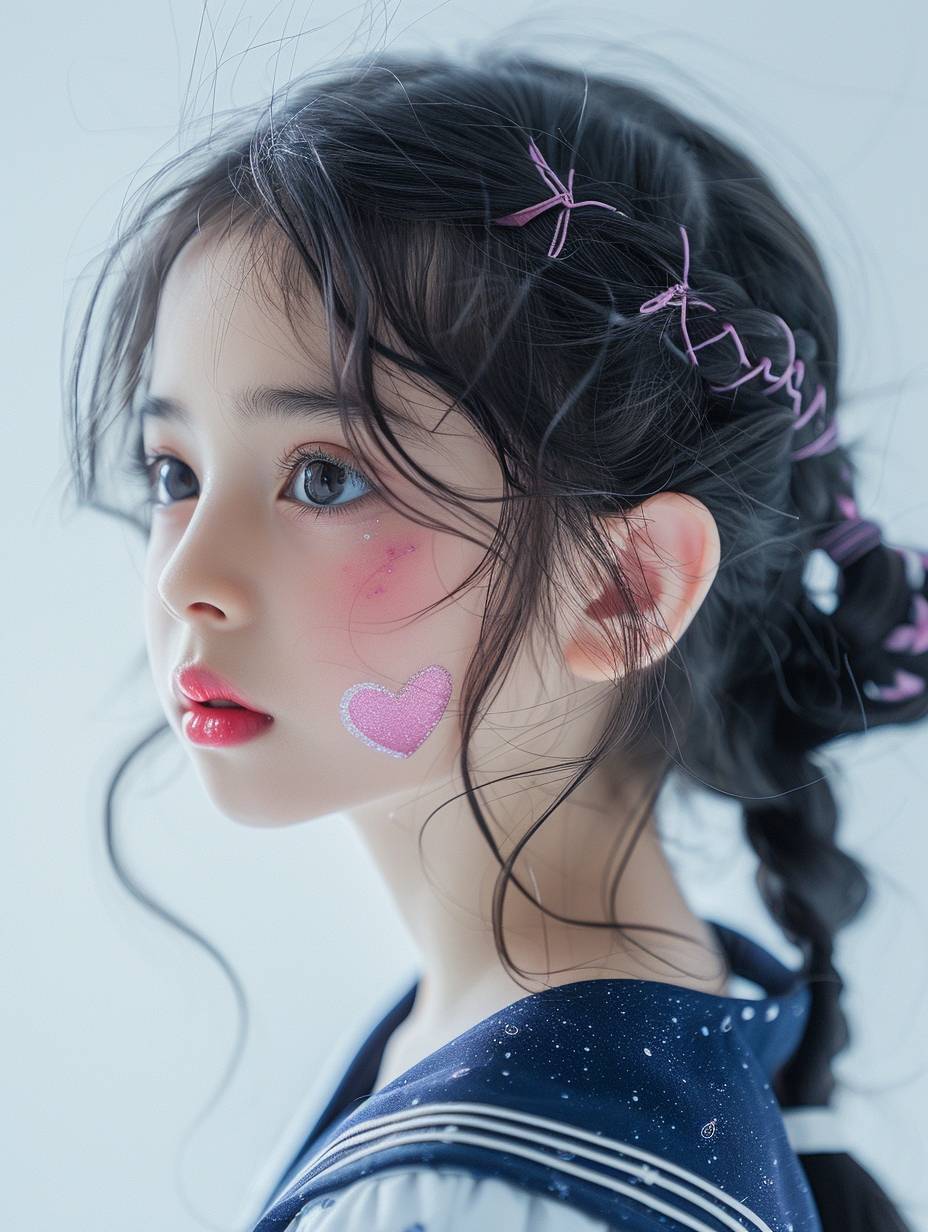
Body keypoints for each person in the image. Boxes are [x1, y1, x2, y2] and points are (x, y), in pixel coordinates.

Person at [63, 44, 926, 1232]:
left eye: (324, 478)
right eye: (175, 471)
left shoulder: (469, 1191)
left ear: (622, 589)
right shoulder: (668, 1017)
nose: (189, 575)